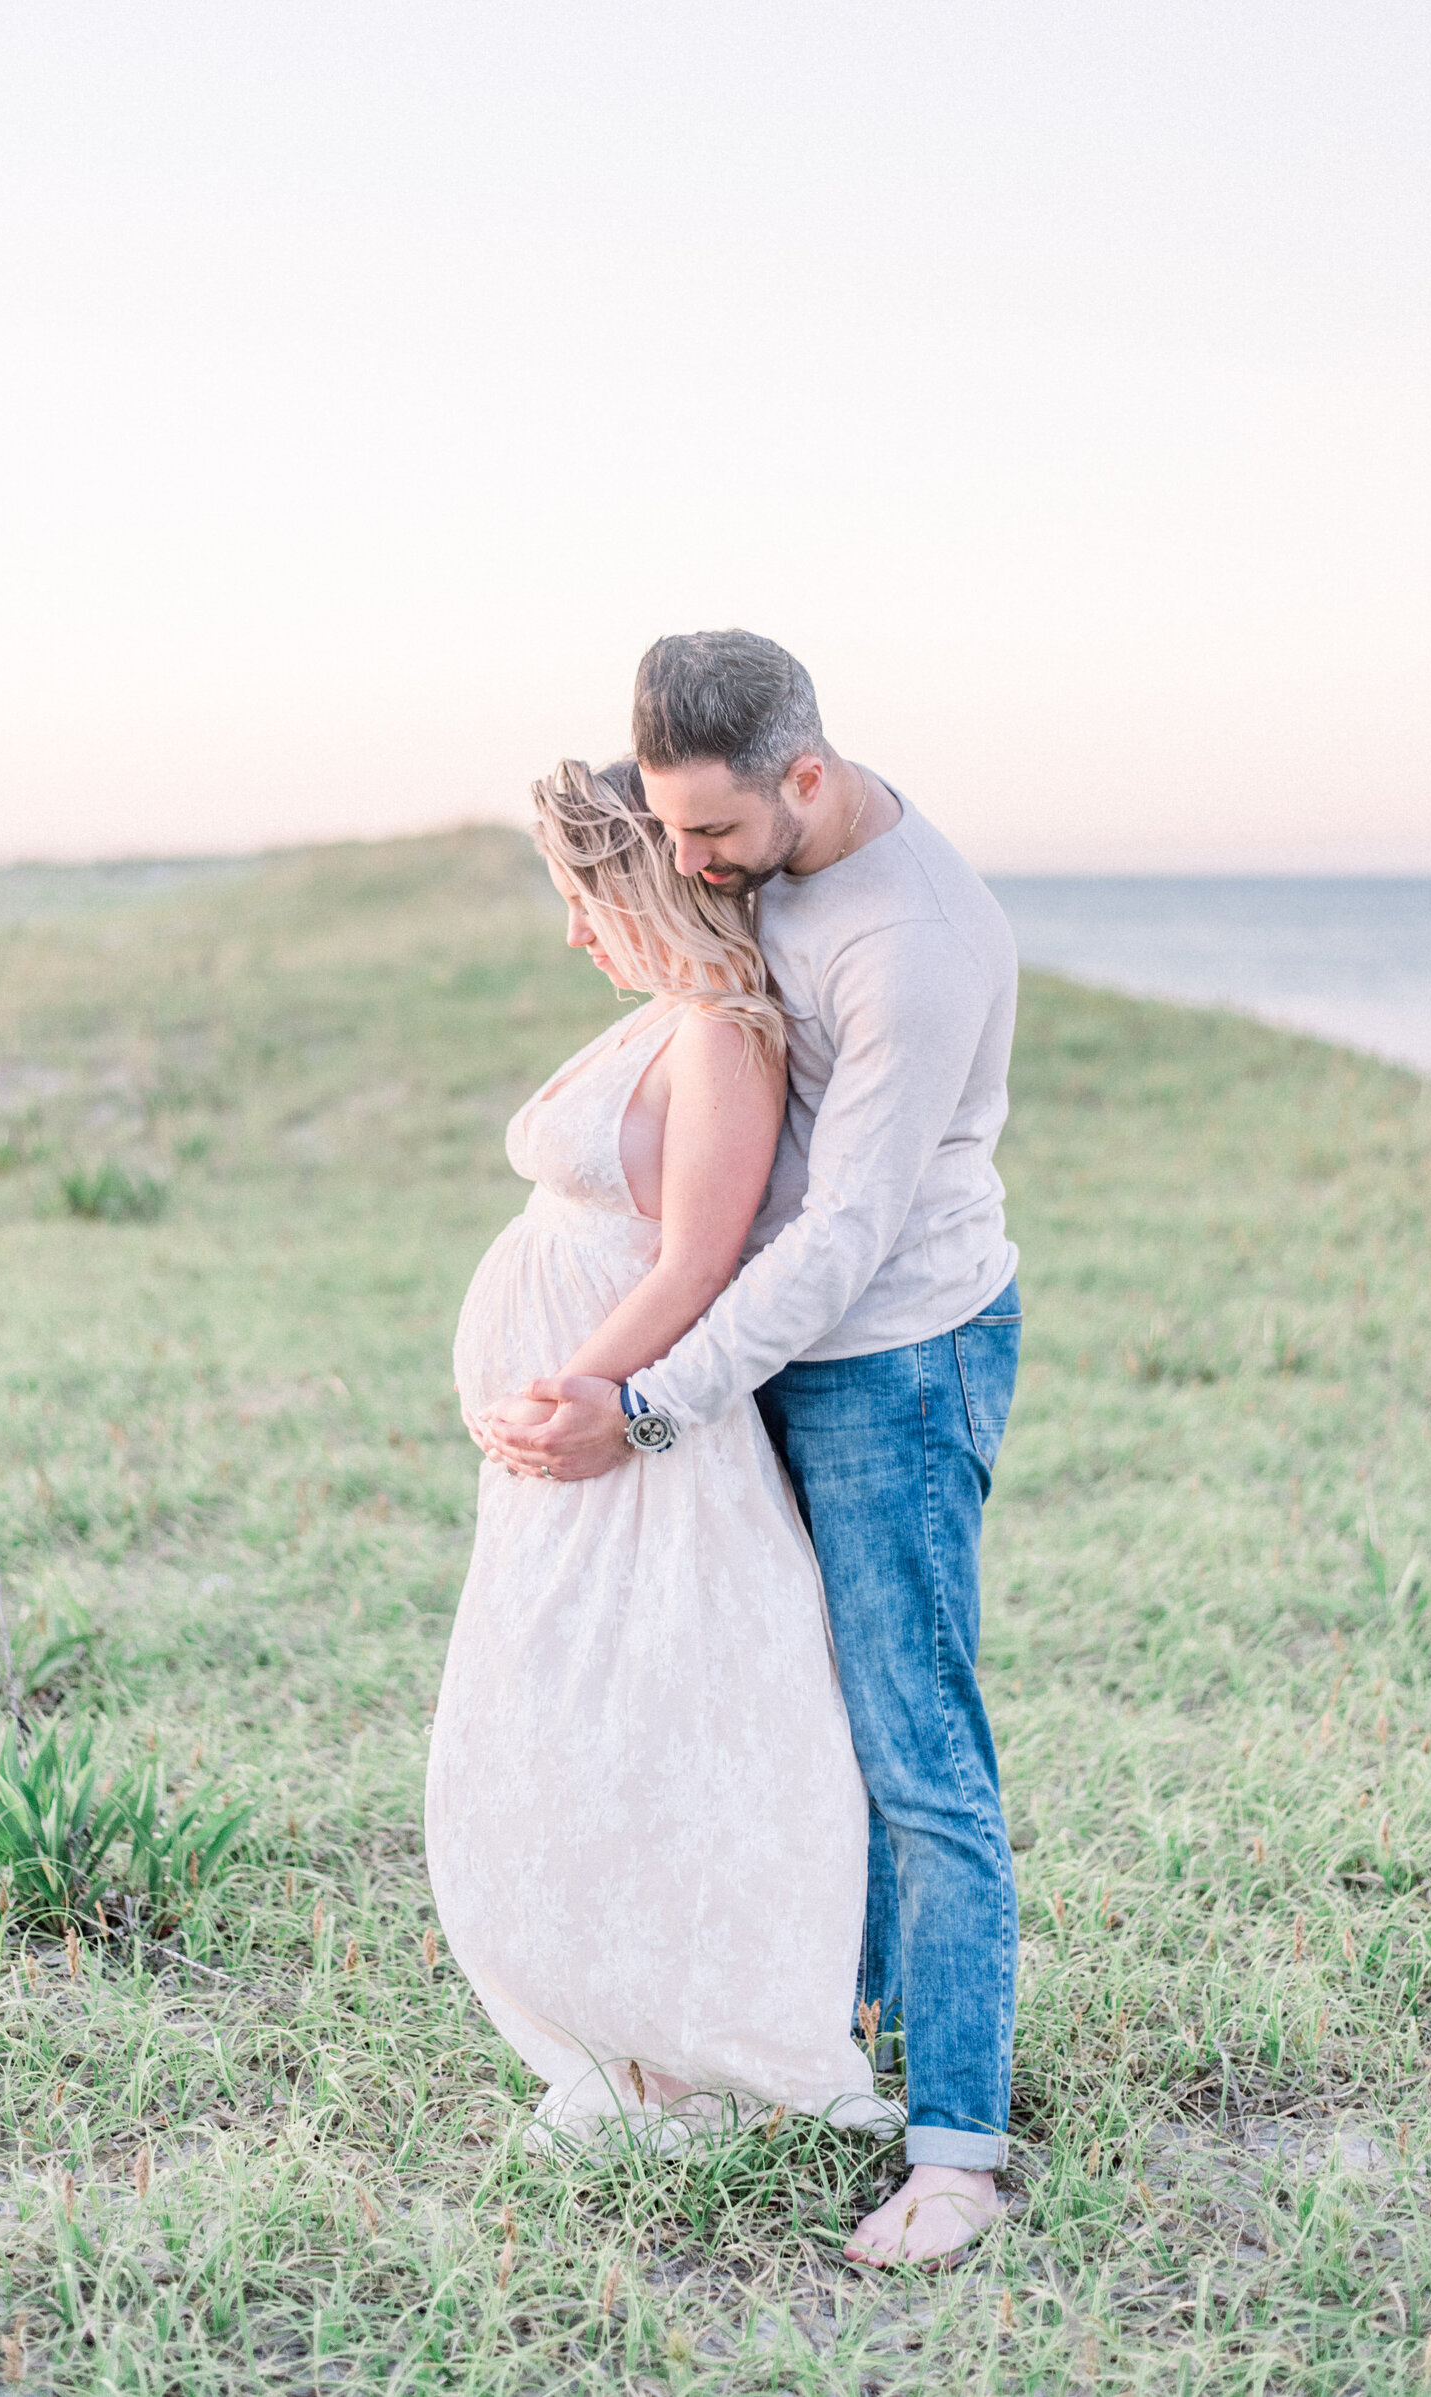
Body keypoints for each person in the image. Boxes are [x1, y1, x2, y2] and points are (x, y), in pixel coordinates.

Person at [485, 630, 1023, 2269]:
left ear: (805, 774)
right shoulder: (741, 833)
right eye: (674, 833)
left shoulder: (910, 941)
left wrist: (649, 1402)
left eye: (713, 836)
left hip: (894, 1361)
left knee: (916, 1747)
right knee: (791, 1705)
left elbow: (842, 1235)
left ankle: (959, 2155)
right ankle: (813, 2041)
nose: (696, 867)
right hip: (764, 1356)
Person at [425, 756, 899, 2150]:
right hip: (572, 1433)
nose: (576, 932)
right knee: (568, 1717)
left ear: (642, 884)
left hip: (636, 1439)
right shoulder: (661, 1016)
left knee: (657, 1717)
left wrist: (576, 1386)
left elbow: (697, 1259)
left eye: (587, 898)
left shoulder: (724, 1031)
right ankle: (623, 2023)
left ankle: (692, 2043)